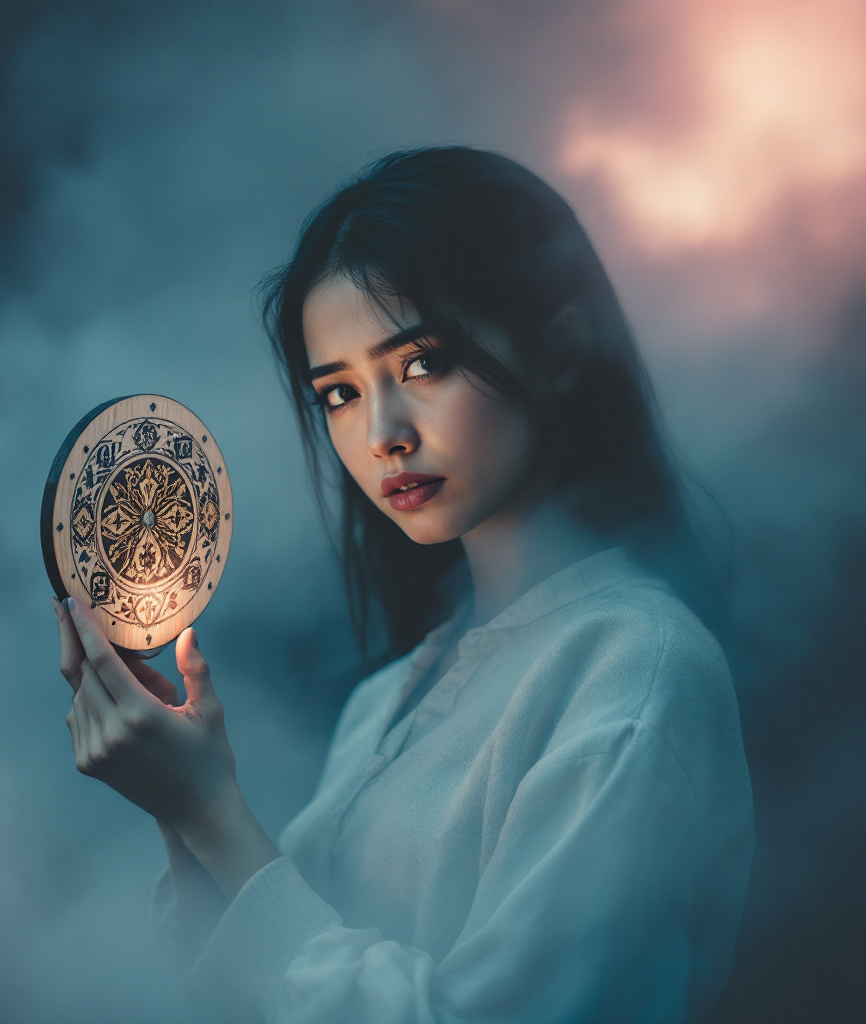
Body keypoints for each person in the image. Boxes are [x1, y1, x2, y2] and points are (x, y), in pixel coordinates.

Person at [52, 147, 754, 1024]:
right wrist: (185, 805)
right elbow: (265, 989)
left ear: (562, 348)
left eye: (423, 364)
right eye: (338, 394)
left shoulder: (639, 670)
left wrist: (214, 812)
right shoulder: (388, 698)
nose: (382, 433)